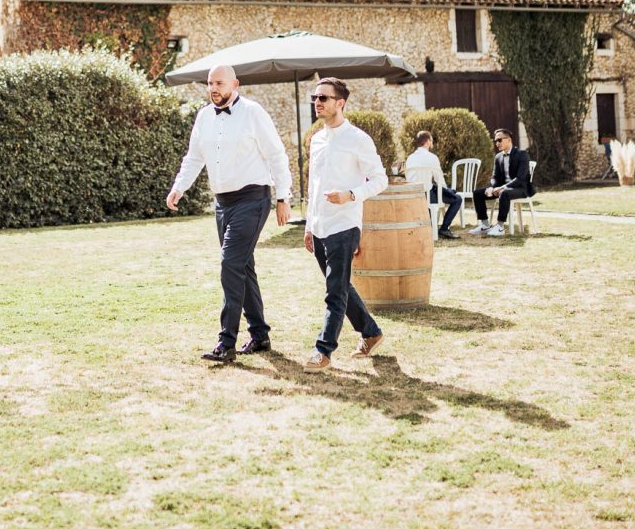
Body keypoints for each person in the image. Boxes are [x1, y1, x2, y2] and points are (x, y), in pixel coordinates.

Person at [167, 64, 292, 362]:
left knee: (230, 265)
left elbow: (277, 155)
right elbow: (194, 157)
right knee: (242, 267)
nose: (214, 88)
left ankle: (227, 343)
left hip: (253, 198)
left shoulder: (253, 112)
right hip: (222, 202)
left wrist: (283, 196)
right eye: (210, 83)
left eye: (220, 83)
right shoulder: (204, 116)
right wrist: (179, 187)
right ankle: (260, 335)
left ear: (235, 84)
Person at [302, 77, 388, 372]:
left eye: (323, 98)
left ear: (340, 103)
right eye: (315, 97)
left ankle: (323, 350)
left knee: (334, 292)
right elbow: (314, 185)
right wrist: (309, 225)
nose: (317, 102)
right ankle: (371, 333)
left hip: (344, 224)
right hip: (320, 226)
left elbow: (380, 180)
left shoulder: (358, 139)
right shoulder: (316, 139)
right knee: (338, 285)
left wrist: (351, 195)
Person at [469, 128, 535, 237]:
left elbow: (520, 178)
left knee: (504, 193)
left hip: (521, 188)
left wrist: (502, 188)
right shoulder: (498, 157)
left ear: (508, 140)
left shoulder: (522, 154)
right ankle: (485, 225)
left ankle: (500, 226)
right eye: (495, 141)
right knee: (478, 193)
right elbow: (495, 177)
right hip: (503, 188)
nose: (497, 143)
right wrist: (493, 187)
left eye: (499, 140)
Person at [403, 130, 461, 240]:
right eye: (431, 140)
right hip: (428, 196)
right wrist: (447, 190)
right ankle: (444, 228)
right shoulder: (432, 157)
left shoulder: (410, 158)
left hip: (413, 195)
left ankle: (429, 227)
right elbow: (439, 180)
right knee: (457, 198)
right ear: (428, 142)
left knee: (433, 189)